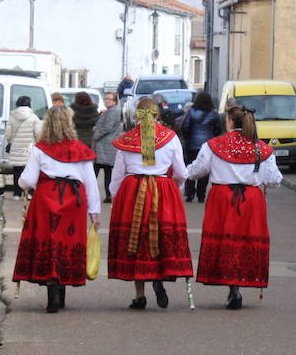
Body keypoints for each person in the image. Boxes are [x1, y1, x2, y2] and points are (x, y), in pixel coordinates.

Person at [185, 104, 282, 309]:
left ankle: (232, 287)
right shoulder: (260, 148)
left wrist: (182, 172)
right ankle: (236, 287)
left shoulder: (213, 145)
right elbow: (274, 180)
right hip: (251, 200)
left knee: (226, 240)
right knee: (245, 241)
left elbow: (197, 171)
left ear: (229, 121)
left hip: (222, 198)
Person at [12, 105, 101, 313]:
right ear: (70, 123)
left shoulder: (40, 149)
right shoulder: (80, 149)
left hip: (46, 198)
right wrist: (94, 213)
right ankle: (61, 288)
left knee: (49, 241)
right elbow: (90, 183)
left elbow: (27, 179)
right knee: (67, 241)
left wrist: (25, 186)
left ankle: (52, 287)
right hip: (74, 201)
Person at [107, 96, 193, 309]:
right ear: (157, 114)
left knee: (136, 241)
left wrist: (116, 196)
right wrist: (176, 187)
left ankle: (139, 296)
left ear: (137, 114)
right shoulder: (170, 137)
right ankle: (158, 278)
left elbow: (117, 176)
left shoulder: (127, 140)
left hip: (133, 191)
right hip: (162, 190)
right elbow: (182, 172)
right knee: (160, 237)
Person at [178, 91, 223, 202]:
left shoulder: (191, 111)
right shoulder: (213, 113)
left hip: (192, 145)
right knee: (205, 169)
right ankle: (201, 194)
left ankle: (190, 193)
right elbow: (218, 129)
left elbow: (185, 127)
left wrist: (188, 137)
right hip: (208, 145)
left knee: (190, 167)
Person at [5, 95, 43, 199]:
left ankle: (16, 194)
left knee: (17, 171)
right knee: (30, 171)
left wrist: (12, 140)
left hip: (16, 148)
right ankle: (29, 193)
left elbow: (8, 134)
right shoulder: (34, 117)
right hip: (29, 149)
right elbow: (38, 134)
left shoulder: (12, 117)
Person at [92, 91, 122, 204]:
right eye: (105, 99)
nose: (106, 101)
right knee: (107, 172)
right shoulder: (112, 110)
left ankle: (88, 194)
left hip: (105, 146)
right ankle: (108, 194)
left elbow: (107, 127)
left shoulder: (113, 111)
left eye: (109, 99)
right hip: (107, 146)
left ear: (115, 101)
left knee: (95, 172)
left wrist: (96, 134)